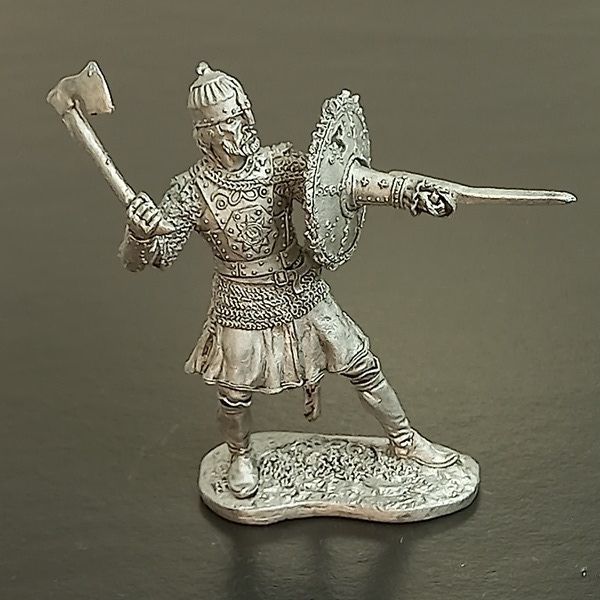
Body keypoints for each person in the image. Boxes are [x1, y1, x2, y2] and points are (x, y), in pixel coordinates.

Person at [118, 63, 457, 499]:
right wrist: (139, 234)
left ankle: (405, 440)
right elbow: (154, 257)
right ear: (206, 133)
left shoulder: (278, 164)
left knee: (360, 363)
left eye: (242, 114)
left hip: (301, 288)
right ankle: (239, 454)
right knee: (233, 393)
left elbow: (338, 184)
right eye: (229, 121)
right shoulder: (190, 190)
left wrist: (404, 192)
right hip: (240, 299)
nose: (242, 126)